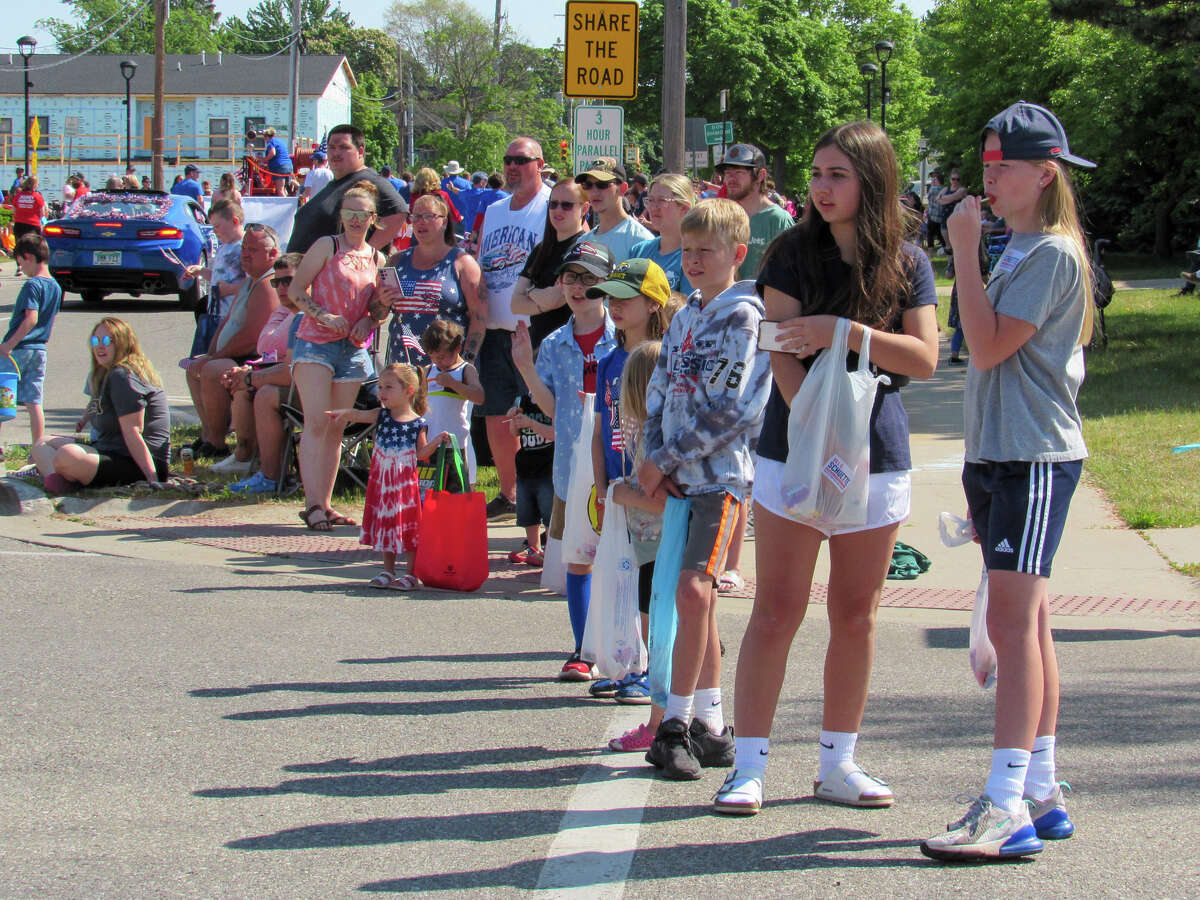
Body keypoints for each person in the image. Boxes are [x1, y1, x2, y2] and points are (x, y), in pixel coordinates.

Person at [713, 121, 939, 816]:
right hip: (795, 451)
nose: (822, 187)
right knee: (776, 610)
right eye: (816, 174)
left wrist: (846, 334)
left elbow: (923, 358)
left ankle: (838, 763)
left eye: (838, 174)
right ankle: (747, 766)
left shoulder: (906, 261)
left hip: (877, 457)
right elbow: (779, 346)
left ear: (872, 181)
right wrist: (814, 425)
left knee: (855, 614)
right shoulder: (788, 252)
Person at [919, 102, 1096, 862]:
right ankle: (1041, 790)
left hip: (1032, 456)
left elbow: (986, 347)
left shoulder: (1051, 252)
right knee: (1032, 624)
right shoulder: (1020, 246)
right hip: (1001, 453)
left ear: (1044, 172)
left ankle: (1003, 805)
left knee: (1012, 628)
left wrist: (959, 250)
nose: (988, 180)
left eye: (1004, 167)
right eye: (986, 164)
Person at [638, 198, 771, 781]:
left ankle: (675, 725)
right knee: (695, 601)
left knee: (694, 592)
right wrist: (652, 458)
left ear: (737, 255)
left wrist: (667, 456)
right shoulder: (685, 314)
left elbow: (737, 408)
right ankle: (712, 726)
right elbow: (661, 387)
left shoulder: (746, 317)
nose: (693, 261)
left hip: (719, 480)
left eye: (706, 251)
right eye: (686, 251)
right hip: (676, 479)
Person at [510, 240, 618, 680]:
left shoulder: (625, 335)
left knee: (624, 558)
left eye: (589, 278)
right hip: (574, 470)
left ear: (608, 286)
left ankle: (630, 645)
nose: (578, 287)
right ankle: (582, 650)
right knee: (580, 559)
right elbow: (552, 408)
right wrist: (526, 369)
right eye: (571, 277)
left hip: (619, 465)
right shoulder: (554, 342)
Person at [587, 258, 672, 706]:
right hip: (621, 488)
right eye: (610, 298)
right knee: (630, 581)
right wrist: (603, 489)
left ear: (653, 302)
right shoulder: (608, 361)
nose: (614, 307)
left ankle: (655, 672)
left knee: (653, 582)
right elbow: (602, 430)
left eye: (625, 298)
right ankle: (633, 665)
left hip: (653, 486)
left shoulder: (665, 357)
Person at [289, 180, 388, 531]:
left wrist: (368, 320)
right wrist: (322, 315)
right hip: (315, 343)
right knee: (316, 421)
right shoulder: (326, 246)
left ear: (373, 218)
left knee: (336, 425)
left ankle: (326, 504)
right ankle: (312, 504)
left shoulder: (378, 257)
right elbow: (296, 290)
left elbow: (381, 307)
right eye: (349, 213)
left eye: (362, 214)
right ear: (341, 216)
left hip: (353, 349)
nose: (356, 220)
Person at [475, 137, 552, 520]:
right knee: (494, 413)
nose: (512, 166)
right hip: (493, 328)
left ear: (540, 164)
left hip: (532, 329)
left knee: (533, 416)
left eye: (521, 160)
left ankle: (536, 500)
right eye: (508, 160)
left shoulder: (552, 205)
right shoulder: (493, 210)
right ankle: (508, 493)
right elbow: (480, 264)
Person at [329, 363, 446, 590]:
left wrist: (437, 441)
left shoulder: (417, 424)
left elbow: (421, 454)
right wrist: (343, 413)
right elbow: (359, 414)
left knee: (409, 526)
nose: (382, 393)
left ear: (409, 390)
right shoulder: (381, 415)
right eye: (380, 387)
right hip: (383, 482)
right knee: (386, 523)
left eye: (388, 387)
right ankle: (388, 569)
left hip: (405, 484)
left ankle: (411, 573)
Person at [603, 339, 667, 751]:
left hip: (658, 543)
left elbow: (659, 499)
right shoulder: (652, 430)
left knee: (659, 634)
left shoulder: (653, 435)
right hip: (650, 543)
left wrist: (621, 494)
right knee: (658, 631)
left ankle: (659, 722)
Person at [31, 317, 170, 491]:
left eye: (106, 341)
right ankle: (58, 480)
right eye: (95, 341)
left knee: (67, 455)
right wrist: (83, 419)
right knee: (41, 443)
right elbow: (96, 405)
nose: (99, 346)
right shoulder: (105, 374)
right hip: (107, 451)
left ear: (123, 343)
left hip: (135, 461)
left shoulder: (122, 375)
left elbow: (134, 431)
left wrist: (152, 477)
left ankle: (63, 478)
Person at [185, 223, 280, 457]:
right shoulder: (250, 280)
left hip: (256, 359)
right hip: (233, 354)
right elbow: (228, 321)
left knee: (212, 369)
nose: (245, 254)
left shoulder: (268, 284)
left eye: (253, 250)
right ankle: (207, 434)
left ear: (272, 254)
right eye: (244, 248)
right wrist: (209, 352)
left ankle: (217, 443)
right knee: (193, 367)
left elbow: (251, 337)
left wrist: (215, 357)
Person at [211, 251, 302, 475]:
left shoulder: (302, 315)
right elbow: (265, 346)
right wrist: (250, 373)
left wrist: (251, 376)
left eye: (288, 281)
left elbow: (284, 361)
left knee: (257, 389)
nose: (281, 288)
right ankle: (245, 455)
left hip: (303, 385)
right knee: (241, 383)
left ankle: (268, 473)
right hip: (277, 369)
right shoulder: (286, 309)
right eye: (276, 282)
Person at [376, 192, 486, 367]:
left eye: (428, 216)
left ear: (444, 221)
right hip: (402, 369)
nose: (420, 221)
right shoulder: (396, 261)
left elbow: (479, 316)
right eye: (416, 216)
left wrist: (466, 362)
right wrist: (382, 302)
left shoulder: (463, 263)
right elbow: (377, 315)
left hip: (447, 370)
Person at [287, 125, 409, 254]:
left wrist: (362, 255)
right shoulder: (335, 183)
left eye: (344, 147)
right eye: (332, 148)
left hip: (338, 271)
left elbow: (398, 212)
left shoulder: (369, 179)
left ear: (360, 151)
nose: (336, 153)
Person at [510, 178, 592, 350]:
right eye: (553, 204)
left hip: (571, 349)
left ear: (584, 208)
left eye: (567, 205)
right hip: (538, 348)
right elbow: (515, 304)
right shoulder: (541, 249)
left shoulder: (584, 248)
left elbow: (556, 299)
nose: (558, 210)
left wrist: (530, 293)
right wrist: (537, 295)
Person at [0, 234, 63, 450]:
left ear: (28, 257)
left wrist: (9, 344)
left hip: (18, 349)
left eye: (20, 263)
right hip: (39, 349)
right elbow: (51, 318)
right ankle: (38, 448)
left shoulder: (32, 285)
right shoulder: (56, 286)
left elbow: (31, 317)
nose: (22, 268)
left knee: (3, 394)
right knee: (34, 401)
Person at [713, 144, 793, 282]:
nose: (731, 179)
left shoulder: (778, 219)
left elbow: (792, 275)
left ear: (760, 176)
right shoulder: (725, 219)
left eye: (739, 173)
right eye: (727, 173)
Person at [420, 318, 484, 486]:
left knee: (455, 494)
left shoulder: (465, 370)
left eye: (441, 357)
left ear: (457, 348)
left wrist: (453, 384)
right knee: (427, 493)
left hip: (453, 445)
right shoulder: (428, 371)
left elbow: (479, 396)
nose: (437, 362)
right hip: (429, 445)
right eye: (433, 357)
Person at [186, 199, 247, 354]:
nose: (215, 231)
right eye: (213, 227)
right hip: (214, 315)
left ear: (234, 221)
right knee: (198, 360)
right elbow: (218, 279)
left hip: (232, 318)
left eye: (218, 226)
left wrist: (230, 289)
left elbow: (255, 284)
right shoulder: (223, 249)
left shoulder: (246, 248)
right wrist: (200, 270)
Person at [629, 173, 697, 295]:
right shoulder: (639, 250)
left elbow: (689, 309)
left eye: (662, 200)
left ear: (684, 208)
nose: (653, 207)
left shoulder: (694, 257)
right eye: (650, 200)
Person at [575, 160, 652, 261]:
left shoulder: (640, 240)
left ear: (623, 188)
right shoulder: (583, 241)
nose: (594, 191)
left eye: (602, 184)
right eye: (588, 185)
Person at [10, 176, 46, 275]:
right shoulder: (37, 196)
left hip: (19, 224)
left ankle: (19, 267)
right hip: (33, 224)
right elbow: (42, 213)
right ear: (35, 185)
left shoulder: (18, 195)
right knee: (35, 247)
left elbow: (14, 210)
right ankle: (35, 267)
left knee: (19, 246)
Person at [261, 127, 293, 197]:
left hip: (279, 167)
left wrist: (264, 159)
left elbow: (273, 153)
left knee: (280, 190)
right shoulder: (280, 141)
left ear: (266, 136)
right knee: (284, 189)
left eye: (264, 136)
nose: (264, 138)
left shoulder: (271, 142)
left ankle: (285, 206)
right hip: (288, 166)